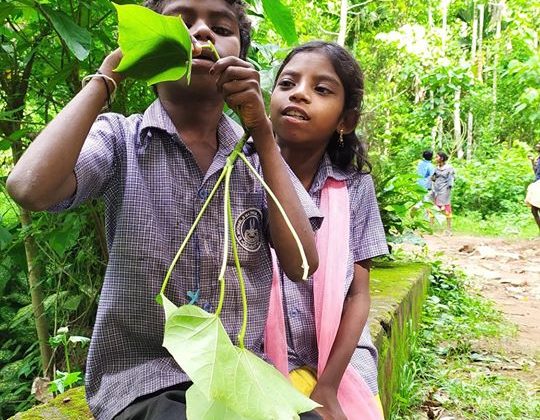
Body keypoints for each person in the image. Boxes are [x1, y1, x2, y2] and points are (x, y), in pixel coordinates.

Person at [6, 1, 321, 419]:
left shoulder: (258, 159)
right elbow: (28, 187)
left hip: (238, 381)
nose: (202, 33)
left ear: (241, 59)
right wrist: (108, 76)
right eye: (181, 23)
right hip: (141, 382)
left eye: (221, 27)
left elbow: (303, 263)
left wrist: (262, 130)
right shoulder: (120, 139)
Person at [264, 41, 388, 420]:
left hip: (338, 359)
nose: (299, 93)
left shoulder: (354, 188)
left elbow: (358, 296)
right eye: (287, 83)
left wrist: (328, 386)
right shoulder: (243, 174)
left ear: (344, 122)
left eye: (321, 89)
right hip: (257, 353)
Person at [431, 151, 455, 234]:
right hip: (436, 190)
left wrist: (448, 190)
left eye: (437, 157)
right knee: (433, 207)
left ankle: (448, 229)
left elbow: (451, 180)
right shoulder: (436, 168)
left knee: (446, 207)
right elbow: (433, 178)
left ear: (442, 158)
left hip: (445, 190)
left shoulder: (449, 168)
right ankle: (431, 228)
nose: (435, 159)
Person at [526, 143, 540, 232]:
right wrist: (532, 161)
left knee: (535, 209)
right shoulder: (538, 158)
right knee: (534, 210)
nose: (538, 145)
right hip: (537, 183)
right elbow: (536, 172)